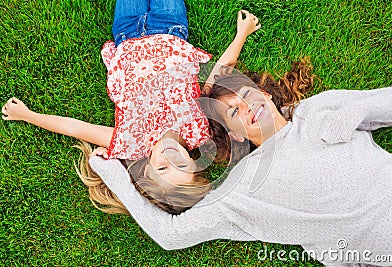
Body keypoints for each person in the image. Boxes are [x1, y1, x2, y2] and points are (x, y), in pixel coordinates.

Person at [87, 67, 392, 266]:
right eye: (233, 111)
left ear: (264, 94)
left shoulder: (318, 109)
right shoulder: (245, 184)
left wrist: (357, 111)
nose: (247, 107)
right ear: (235, 134)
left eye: (248, 95)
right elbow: (171, 234)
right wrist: (112, 174)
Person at [1, 0, 261, 215]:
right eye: (182, 167)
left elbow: (75, 128)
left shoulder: (131, 142)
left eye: (162, 169)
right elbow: (216, 75)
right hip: (169, 28)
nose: (171, 160)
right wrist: (242, 34)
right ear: (195, 162)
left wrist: (28, 115)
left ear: (146, 170)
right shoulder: (198, 128)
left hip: (125, 33)